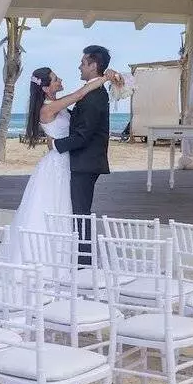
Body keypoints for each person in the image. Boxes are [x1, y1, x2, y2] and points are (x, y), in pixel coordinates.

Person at [0, 56, 120, 265]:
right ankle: (56, 260)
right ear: (46, 88)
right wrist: (104, 78)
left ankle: (71, 259)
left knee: (66, 207)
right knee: (56, 207)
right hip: (58, 163)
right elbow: (80, 94)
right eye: (55, 79)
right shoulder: (48, 108)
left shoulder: (56, 105)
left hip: (66, 160)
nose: (60, 80)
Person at [46, 45, 113, 265]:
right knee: (77, 211)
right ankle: (79, 259)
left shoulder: (94, 96)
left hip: (85, 163)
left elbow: (83, 135)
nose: (79, 66)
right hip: (83, 162)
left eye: (83, 63)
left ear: (94, 66)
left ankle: (84, 264)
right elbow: (79, 121)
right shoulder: (92, 93)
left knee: (81, 213)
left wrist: (56, 144)